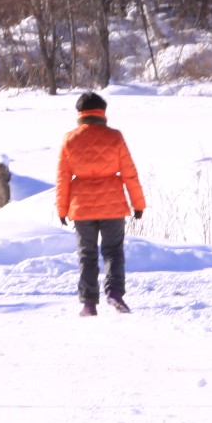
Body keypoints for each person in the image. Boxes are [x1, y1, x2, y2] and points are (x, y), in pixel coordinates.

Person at [55, 92, 147, 316]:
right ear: (102, 112)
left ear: (80, 113)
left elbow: (63, 177)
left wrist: (62, 209)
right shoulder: (115, 137)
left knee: (86, 254)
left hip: (81, 206)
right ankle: (114, 291)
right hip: (112, 204)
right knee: (113, 251)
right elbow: (129, 174)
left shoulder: (70, 139)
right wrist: (138, 204)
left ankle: (88, 304)